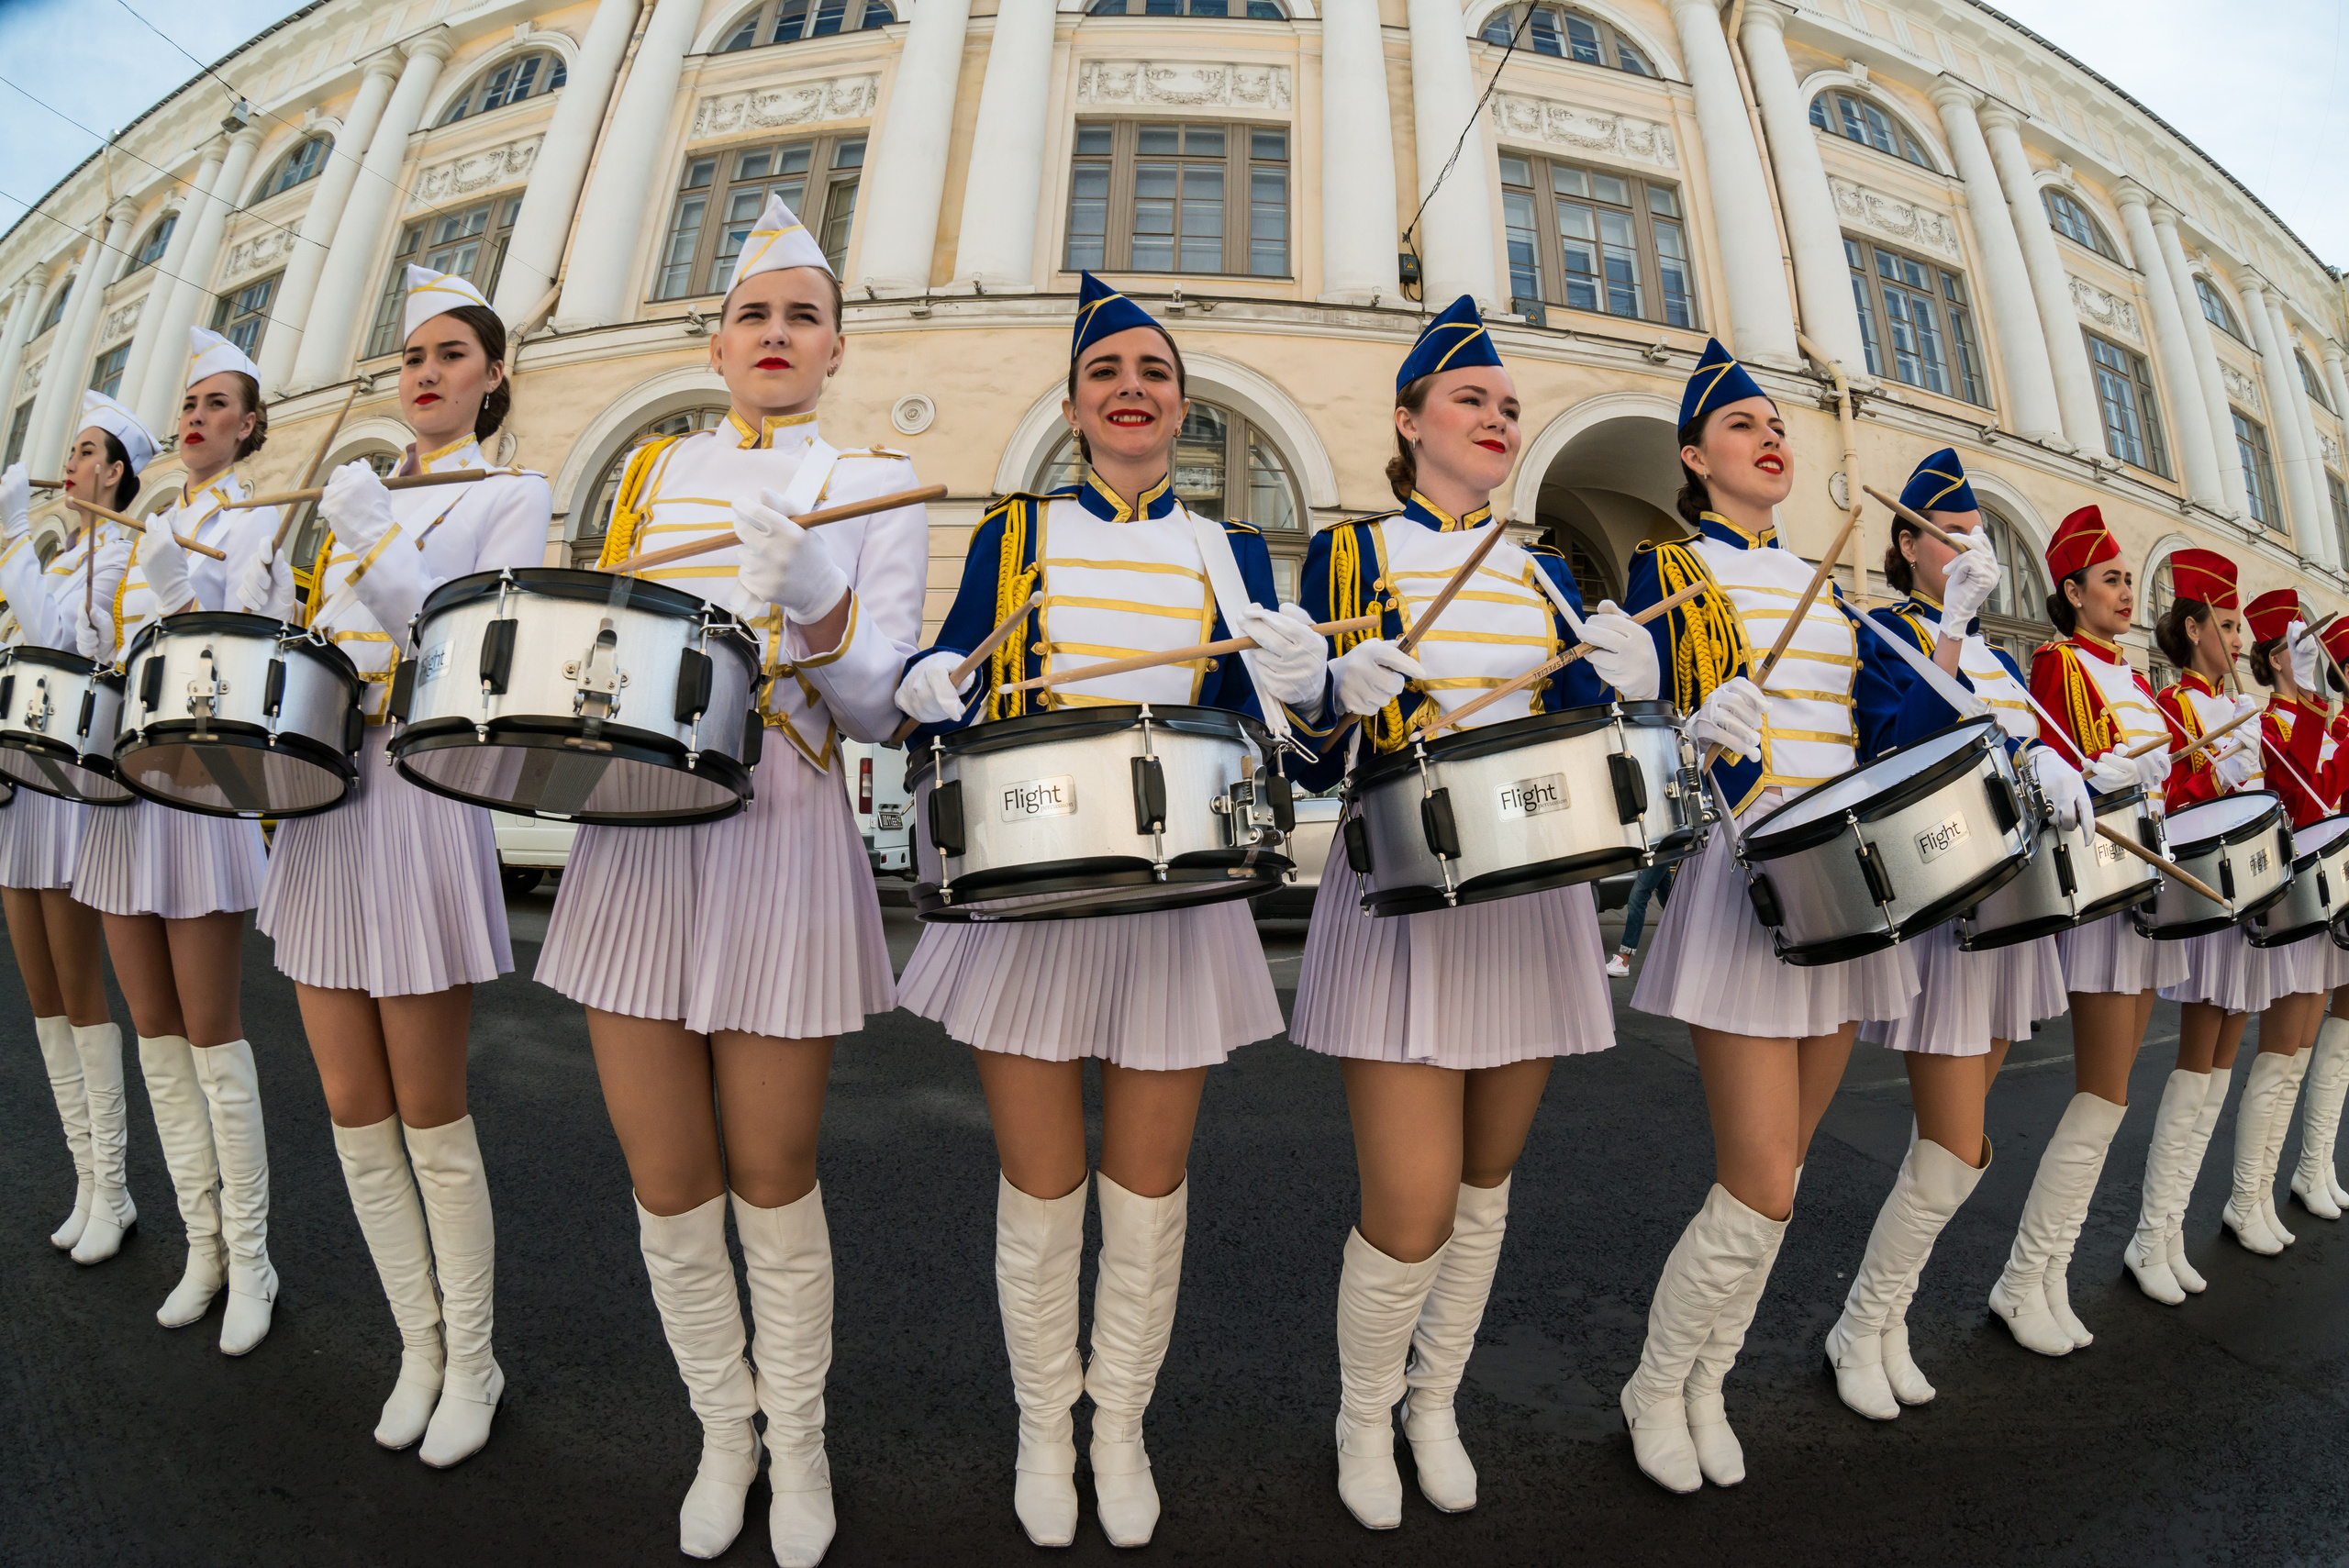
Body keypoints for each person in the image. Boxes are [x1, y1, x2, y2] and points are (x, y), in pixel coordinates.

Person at [892, 274, 1327, 1550]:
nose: (1132, 388)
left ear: (1181, 409)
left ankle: (1119, 1422)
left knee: (1146, 1191)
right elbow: (959, 686)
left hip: (1179, 897)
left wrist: (1301, 698)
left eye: (1154, 372)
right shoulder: (1014, 537)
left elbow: (1281, 765)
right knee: (1042, 1187)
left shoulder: (1233, 551)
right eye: (1107, 372)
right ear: (1077, 406)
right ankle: (1043, 1422)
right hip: (1034, 885)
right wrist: (935, 687)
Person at [537, 197, 926, 1567]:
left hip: (782, 822)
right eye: (753, 314)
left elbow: (878, 705)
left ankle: (802, 1440)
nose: (776, 334)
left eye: (801, 316)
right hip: (639, 827)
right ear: (717, 344)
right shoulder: (650, 479)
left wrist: (821, 599)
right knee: (666, 1177)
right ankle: (725, 1428)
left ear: (834, 349)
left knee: (772, 1170)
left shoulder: (877, 485)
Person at [1285, 296, 1659, 1528]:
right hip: (1405, 890)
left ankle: (1432, 1401)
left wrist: (1635, 697)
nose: (1497, 419)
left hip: (1536, 894)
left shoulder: (1549, 571)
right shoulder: (1356, 556)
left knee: (1487, 1186)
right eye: (1470, 401)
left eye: (1507, 406)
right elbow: (1315, 748)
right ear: (1408, 422)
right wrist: (1327, 696)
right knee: (1411, 1203)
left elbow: (1588, 750)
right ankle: (1358, 1416)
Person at [250, 266, 551, 1466]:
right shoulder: (359, 496)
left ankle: (474, 1360)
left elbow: (466, 641)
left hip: (422, 798)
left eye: (449, 356)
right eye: (412, 356)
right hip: (327, 801)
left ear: (489, 381)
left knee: (431, 1112)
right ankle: (417, 1345)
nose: (422, 372)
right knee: (352, 1109)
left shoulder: (513, 494)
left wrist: (371, 536)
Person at [1616, 340, 1909, 1492]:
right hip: (1745, 879)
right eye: (1738, 425)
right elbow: (1642, 727)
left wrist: (1939, 641)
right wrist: (1678, 727)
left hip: (1843, 882)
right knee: (1760, 1175)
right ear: (1695, 457)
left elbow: (1887, 736)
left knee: (1783, 1172)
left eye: (1773, 421)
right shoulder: (1668, 568)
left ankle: (1706, 1380)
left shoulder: (1834, 594)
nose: (1768, 435)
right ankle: (1651, 1383)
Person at [1824, 450, 2084, 1418]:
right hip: (1942, 906)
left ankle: (1883, 1320)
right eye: (1950, 526)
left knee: (1958, 1145)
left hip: (2010, 904)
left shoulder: (1999, 656)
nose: (1973, 539)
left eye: (1978, 526)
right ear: (1906, 542)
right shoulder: (1883, 629)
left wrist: (2057, 770)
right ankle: (1859, 1323)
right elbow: (1896, 750)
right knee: (1953, 1139)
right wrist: (1949, 629)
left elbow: (2009, 744)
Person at [75, 328, 281, 1349]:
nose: (195, 416)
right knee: (155, 1039)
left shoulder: (259, 521)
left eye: (216, 403)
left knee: (213, 1041)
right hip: (126, 788)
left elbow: (250, 648)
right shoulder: (150, 521)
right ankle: (202, 1244)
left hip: (199, 787)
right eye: (188, 402)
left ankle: (253, 1258)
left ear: (248, 425)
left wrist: (177, 589)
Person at [1992, 506, 2180, 1355]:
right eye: (2109, 580)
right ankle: (2019, 1278)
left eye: (2128, 580)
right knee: (2101, 1091)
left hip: (2147, 883)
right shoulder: (2057, 660)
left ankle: (2048, 1273)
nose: (2124, 593)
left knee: (2116, 1098)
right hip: (2104, 893)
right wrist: (2108, 771)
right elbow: (2066, 766)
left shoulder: (2135, 674)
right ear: (2069, 591)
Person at [0, 393, 139, 1265]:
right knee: (42, 998)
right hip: (22, 783)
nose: (72, 462)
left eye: (86, 450)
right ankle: (85, 1176)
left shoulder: (120, 549)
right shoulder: (72, 553)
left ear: (115, 471)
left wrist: (14, 534)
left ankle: (115, 1187)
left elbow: (59, 638)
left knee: (82, 997)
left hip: (69, 784)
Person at [2132, 549, 2265, 1301]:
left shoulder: (2242, 704)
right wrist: (2216, 768)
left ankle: (2172, 1229)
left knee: (2221, 1068)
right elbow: (2174, 797)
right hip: (2208, 890)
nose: (2239, 638)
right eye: (2227, 623)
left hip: (2250, 893)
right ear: (2193, 627)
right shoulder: (2177, 703)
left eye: (2241, 624)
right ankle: (2151, 1236)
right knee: (2196, 1063)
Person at [2217, 589, 2333, 1255]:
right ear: (2275, 657)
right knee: (2277, 1055)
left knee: (2298, 1059)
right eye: (2298, 642)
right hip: (2289, 899)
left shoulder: (2309, 717)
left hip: (2323, 894)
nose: (2310, 654)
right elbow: (2295, 795)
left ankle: (2266, 1188)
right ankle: (2245, 1196)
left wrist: (2321, 706)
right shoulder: (2266, 724)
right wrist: (2315, 706)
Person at [2286, 616, 2349, 1220]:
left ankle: (2320, 1160)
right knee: (2324, 1028)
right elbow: (2318, 800)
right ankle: (2310, 1164)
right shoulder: (2341, 731)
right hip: (2336, 890)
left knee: (2346, 1036)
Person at [1607, 863, 1668, 977]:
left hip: (1660, 848)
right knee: (1669, 898)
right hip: (1659, 848)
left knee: (1639, 896)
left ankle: (1624, 959)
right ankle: (1688, 947)